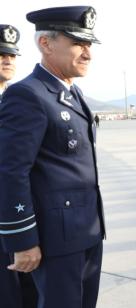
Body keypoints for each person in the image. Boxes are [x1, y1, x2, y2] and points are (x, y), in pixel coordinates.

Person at [0, 6, 106, 308]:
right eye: (77, 43)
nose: (88, 53)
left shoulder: (73, 94)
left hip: (86, 231)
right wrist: (22, 241)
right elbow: (11, 172)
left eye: (88, 45)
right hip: (54, 240)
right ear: (45, 44)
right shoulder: (28, 94)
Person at [0, 23, 39, 308]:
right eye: (1, 54)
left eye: (12, 55)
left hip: (16, 215)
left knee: (26, 292)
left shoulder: (19, 99)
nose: (8, 59)